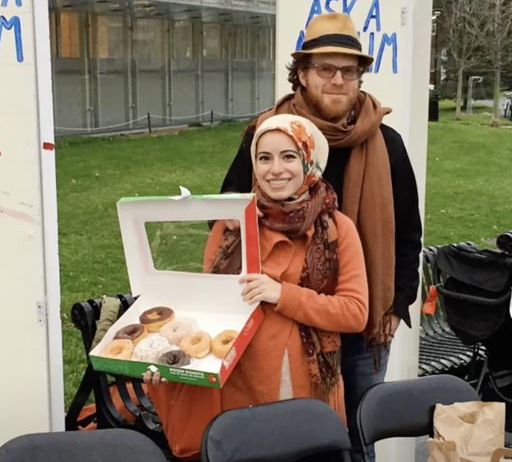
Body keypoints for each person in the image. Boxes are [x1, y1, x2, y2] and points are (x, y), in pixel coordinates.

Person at [220, 12, 423, 461]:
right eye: (325, 69)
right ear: (303, 75)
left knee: (356, 435)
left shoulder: (385, 143)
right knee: (295, 436)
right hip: (286, 317)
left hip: (361, 316)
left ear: (359, 77)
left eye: (348, 70)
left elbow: (408, 231)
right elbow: (229, 210)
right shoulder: (269, 134)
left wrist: (398, 301)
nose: (337, 79)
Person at [144, 114, 369, 461]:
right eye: (264, 158)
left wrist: (282, 294)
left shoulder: (337, 229)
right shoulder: (232, 225)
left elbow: (355, 313)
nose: (275, 169)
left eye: (289, 156)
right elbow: (207, 310)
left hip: (306, 391)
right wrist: (170, 362)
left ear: (309, 161)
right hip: (239, 387)